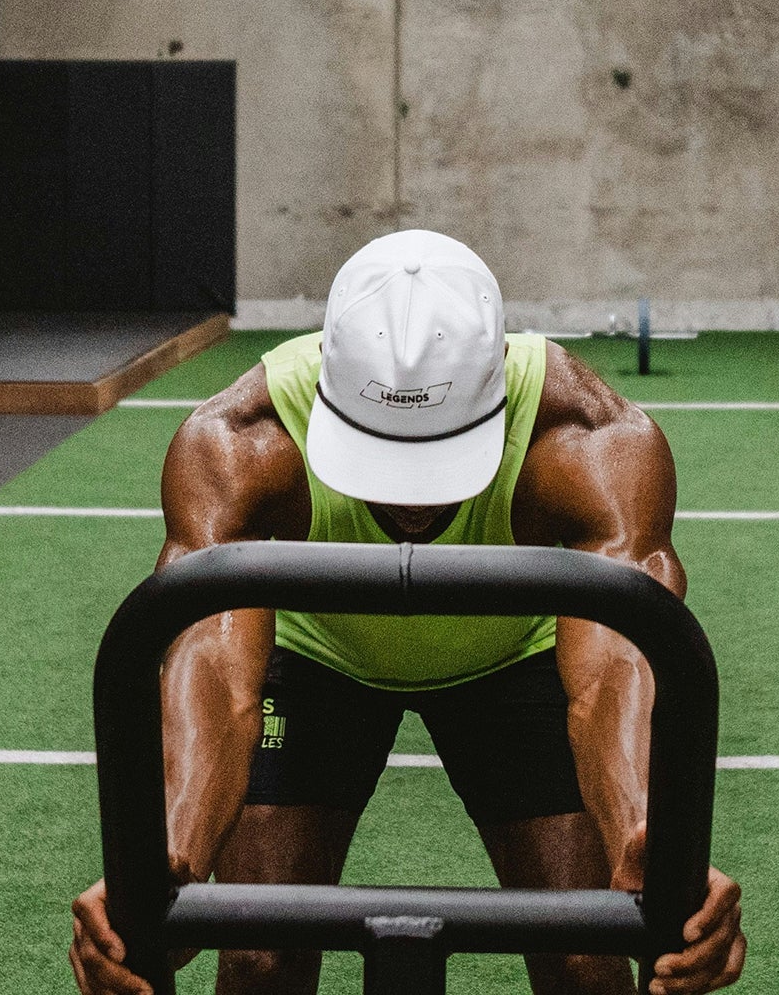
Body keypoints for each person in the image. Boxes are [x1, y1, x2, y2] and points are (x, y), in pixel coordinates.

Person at [70, 230, 745, 995]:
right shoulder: (240, 440)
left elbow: (616, 665)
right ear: (330, 381)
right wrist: (168, 866)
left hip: (512, 656)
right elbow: (215, 666)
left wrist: (649, 836)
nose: (413, 501)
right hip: (316, 653)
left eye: (440, 458)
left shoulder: (588, 438)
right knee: (257, 955)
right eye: (385, 456)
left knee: (587, 955)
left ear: (496, 391)